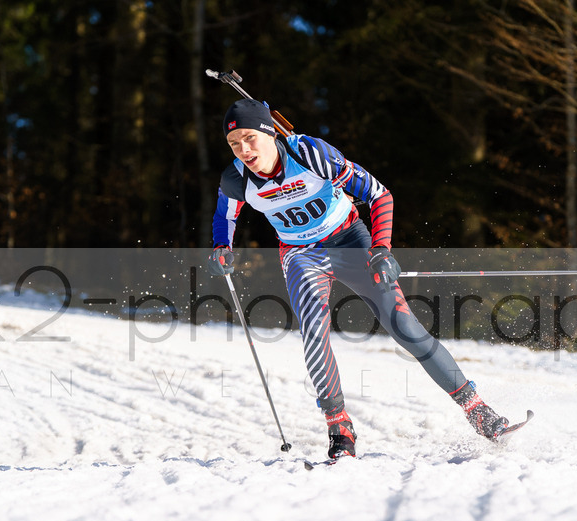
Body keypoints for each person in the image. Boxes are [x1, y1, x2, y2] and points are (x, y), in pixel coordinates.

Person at [207, 98, 510, 460]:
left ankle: (477, 410)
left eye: (249, 138)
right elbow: (225, 213)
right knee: (314, 336)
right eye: (233, 143)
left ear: (270, 133)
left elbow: (379, 194)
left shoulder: (311, 155)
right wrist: (221, 246)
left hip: (349, 239)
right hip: (301, 255)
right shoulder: (236, 177)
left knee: (404, 326)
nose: (243, 149)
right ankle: (339, 427)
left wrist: (381, 250)